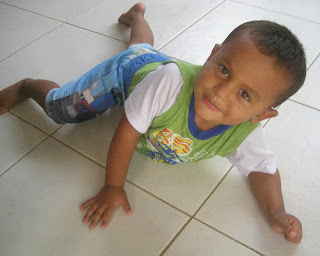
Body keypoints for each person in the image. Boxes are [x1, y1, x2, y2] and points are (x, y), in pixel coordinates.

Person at [0, 3, 305, 243]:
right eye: (223, 69)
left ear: (261, 116)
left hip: (149, 66)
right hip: (125, 76)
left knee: (142, 47)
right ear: (213, 54)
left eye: (244, 94)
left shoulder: (245, 132)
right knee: (63, 111)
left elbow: (262, 169)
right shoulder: (169, 85)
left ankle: (136, 16)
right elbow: (127, 131)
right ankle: (26, 85)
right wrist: (112, 186)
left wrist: (276, 211)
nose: (220, 91)